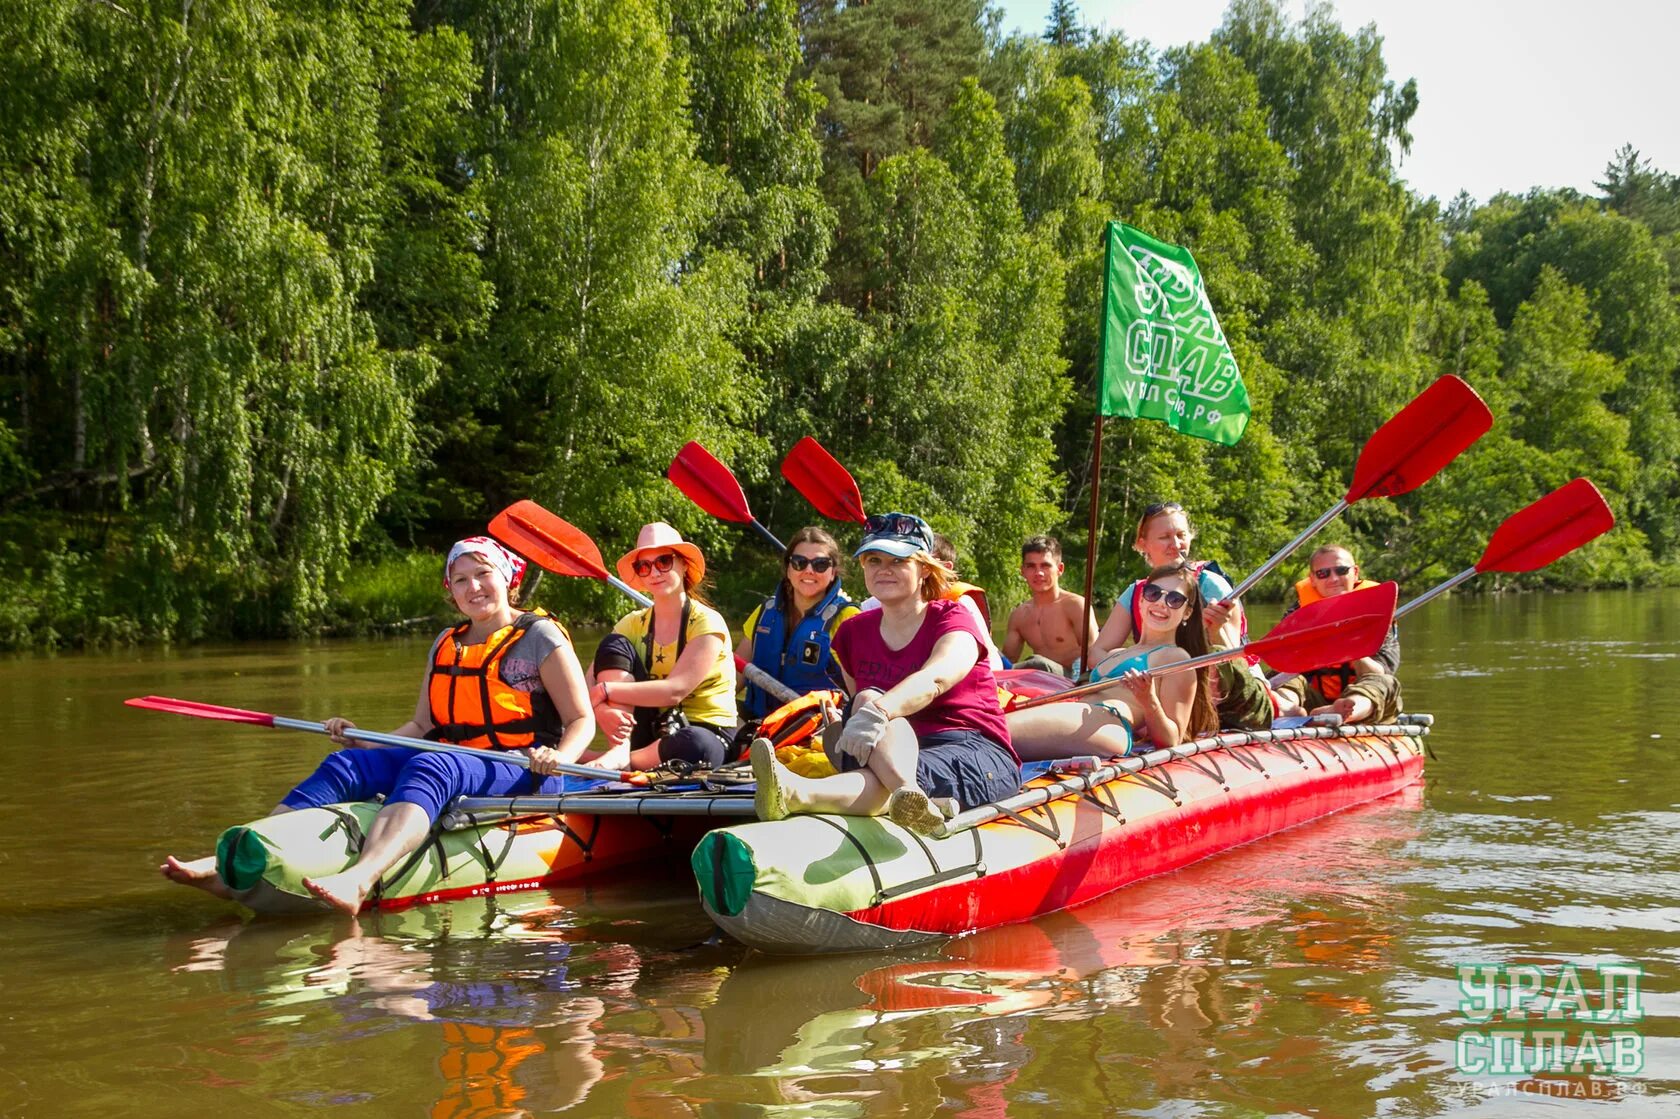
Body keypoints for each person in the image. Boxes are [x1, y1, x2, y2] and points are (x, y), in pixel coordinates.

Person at [161, 537, 597, 914]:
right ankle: (230, 861)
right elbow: (423, 724)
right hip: (455, 755)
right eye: (460, 580)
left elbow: (581, 719)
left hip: (523, 766)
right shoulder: (447, 643)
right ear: (451, 592)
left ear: (508, 579)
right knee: (346, 764)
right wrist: (364, 742)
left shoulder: (541, 636)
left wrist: (559, 758)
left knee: (435, 767)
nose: (473, 587)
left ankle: (360, 878)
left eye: (483, 573)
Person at [750, 512, 1020, 835]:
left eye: (898, 560)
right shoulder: (851, 633)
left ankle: (803, 792)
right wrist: (851, 719)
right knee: (865, 704)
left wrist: (879, 710)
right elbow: (857, 698)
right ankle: (902, 797)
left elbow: (936, 678)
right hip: (888, 751)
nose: (884, 569)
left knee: (872, 710)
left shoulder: (954, 617)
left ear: (923, 569)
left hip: (971, 746)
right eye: (874, 560)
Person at [1007, 561, 1218, 761]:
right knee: (986, 726)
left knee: (997, 731)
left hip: (1108, 721)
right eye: (1154, 594)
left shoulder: (1176, 658)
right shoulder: (1117, 652)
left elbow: (1172, 739)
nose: (1162, 603)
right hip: (1079, 713)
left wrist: (1149, 700)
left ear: (1187, 612)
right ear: (1141, 600)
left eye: (1174, 599)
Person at [588, 522, 739, 770]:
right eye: (644, 566)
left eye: (664, 562)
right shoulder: (631, 623)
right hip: (651, 730)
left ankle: (617, 760)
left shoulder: (707, 621)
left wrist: (605, 691)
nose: (654, 573)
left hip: (706, 732)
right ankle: (619, 751)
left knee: (695, 744)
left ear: (683, 564)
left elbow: (675, 690)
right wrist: (601, 710)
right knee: (613, 643)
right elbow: (588, 682)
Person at [736, 527, 860, 733]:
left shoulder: (848, 619)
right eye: (799, 562)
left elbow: (861, 692)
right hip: (758, 720)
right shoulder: (764, 612)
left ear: (833, 572)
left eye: (820, 564)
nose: (809, 570)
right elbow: (734, 679)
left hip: (816, 728)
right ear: (788, 569)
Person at [1091, 502, 1245, 659]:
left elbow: (1234, 660)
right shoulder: (1134, 593)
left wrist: (1216, 631)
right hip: (1154, 680)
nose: (1176, 545)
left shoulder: (1212, 585)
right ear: (1143, 544)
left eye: (1181, 535)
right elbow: (1097, 652)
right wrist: (1129, 666)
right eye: (1164, 537)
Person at [1271, 545, 1401, 723]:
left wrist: (1347, 644)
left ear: (1355, 573)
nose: (1333, 579)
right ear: (1313, 579)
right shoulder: (1297, 615)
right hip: (1311, 700)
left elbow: (1381, 671)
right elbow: (1282, 668)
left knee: (1385, 682)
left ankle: (1346, 711)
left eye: (1341, 570)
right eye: (1323, 573)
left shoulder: (1378, 612)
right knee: (1289, 680)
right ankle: (1289, 709)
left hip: (1363, 700)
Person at [1002, 535, 1098, 677]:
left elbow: (1094, 650)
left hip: (1074, 678)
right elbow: (1007, 662)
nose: (1038, 573)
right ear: (1023, 571)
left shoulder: (1076, 605)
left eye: (1045, 566)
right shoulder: (1019, 615)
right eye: (1031, 566)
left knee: (1038, 663)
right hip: (1038, 679)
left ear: (1060, 569)